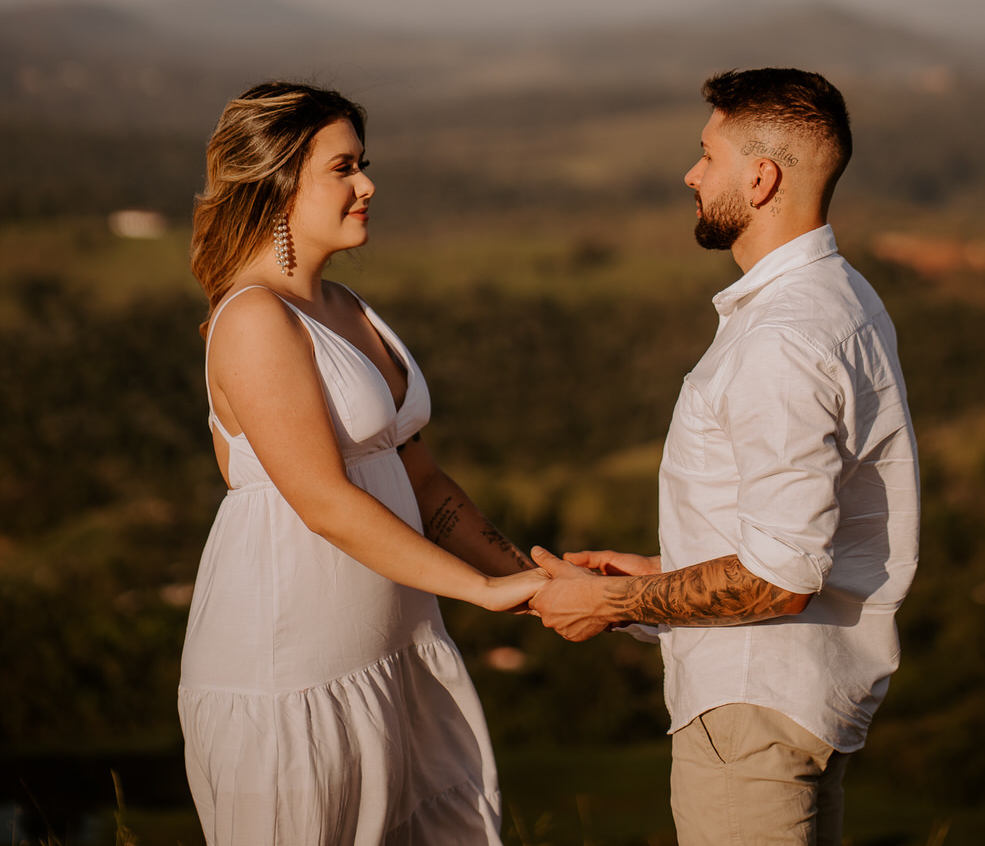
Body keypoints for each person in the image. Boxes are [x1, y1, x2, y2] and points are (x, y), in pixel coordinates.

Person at [530, 68, 920, 846]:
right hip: (795, 693)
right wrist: (655, 573)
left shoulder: (783, 337)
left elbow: (780, 577)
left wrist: (608, 605)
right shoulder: (839, 297)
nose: (691, 173)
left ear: (761, 177)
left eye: (706, 155)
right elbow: (796, 533)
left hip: (752, 711)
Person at [179, 81, 544, 846]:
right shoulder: (252, 317)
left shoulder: (343, 306)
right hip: (292, 674)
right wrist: (481, 591)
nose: (367, 184)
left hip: (392, 653)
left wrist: (528, 583)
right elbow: (324, 501)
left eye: (361, 164)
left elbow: (423, 481)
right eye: (342, 168)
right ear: (278, 181)